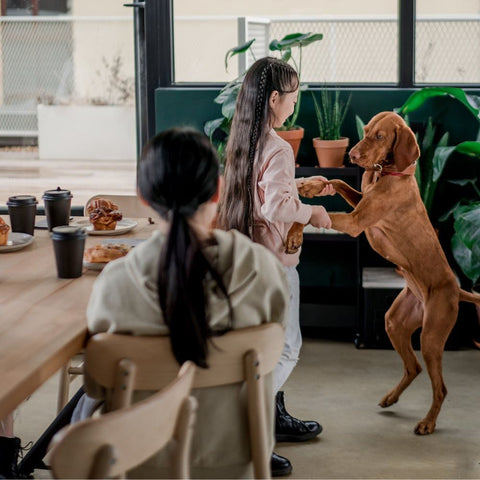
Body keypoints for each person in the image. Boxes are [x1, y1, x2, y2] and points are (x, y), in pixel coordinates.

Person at [76, 127, 290, 479]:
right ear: (218, 189)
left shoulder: (114, 285)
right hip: (235, 462)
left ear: (143, 196)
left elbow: (99, 386)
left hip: (139, 466)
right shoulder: (264, 271)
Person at [217, 56, 334, 476]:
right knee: (285, 349)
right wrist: (313, 212)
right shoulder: (280, 146)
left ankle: (266, 418)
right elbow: (275, 205)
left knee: (258, 347)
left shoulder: (242, 141)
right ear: (274, 99)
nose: (296, 101)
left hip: (245, 262)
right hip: (275, 268)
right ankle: (249, 423)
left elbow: (259, 195)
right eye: (294, 93)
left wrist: (296, 189)